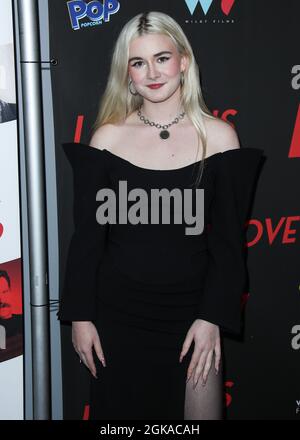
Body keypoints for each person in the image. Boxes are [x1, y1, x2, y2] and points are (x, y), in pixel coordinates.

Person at [57, 11, 264, 420]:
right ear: (127, 73)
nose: (151, 72)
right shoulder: (108, 138)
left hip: (193, 316)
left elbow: (227, 247)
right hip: (117, 317)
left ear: (183, 61)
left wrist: (211, 319)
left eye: (162, 58)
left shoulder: (220, 137)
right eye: (138, 62)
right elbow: (87, 241)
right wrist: (81, 318)